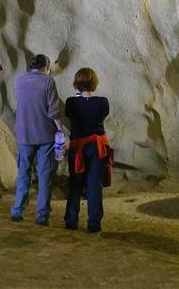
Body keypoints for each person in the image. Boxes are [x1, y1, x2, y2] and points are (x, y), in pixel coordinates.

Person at [10, 53, 64, 225]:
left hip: (24, 135)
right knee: (45, 176)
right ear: (45, 68)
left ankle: (18, 211)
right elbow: (53, 111)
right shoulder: (48, 81)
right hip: (45, 135)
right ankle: (42, 216)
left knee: (23, 174)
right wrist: (60, 130)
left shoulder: (18, 80)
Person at [63, 67, 112, 235]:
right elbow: (100, 111)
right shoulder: (102, 102)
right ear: (94, 83)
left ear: (77, 83)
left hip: (77, 147)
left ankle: (71, 221)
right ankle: (94, 225)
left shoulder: (71, 102)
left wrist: (80, 97)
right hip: (97, 148)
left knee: (75, 184)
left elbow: (74, 110)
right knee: (94, 185)